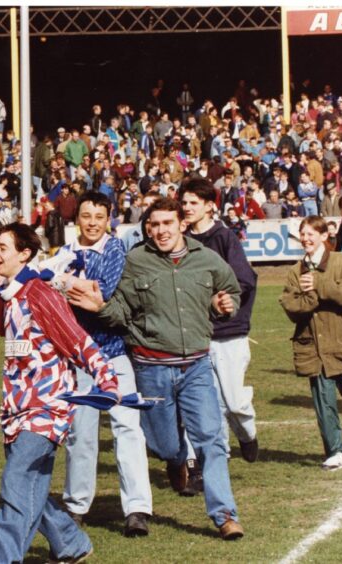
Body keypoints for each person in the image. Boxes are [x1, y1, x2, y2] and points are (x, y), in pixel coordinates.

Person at [68, 196, 244, 540]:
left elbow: (231, 290)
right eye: (155, 225)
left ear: (182, 224)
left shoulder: (207, 259)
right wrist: (100, 306)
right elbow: (121, 312)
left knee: (211, 439)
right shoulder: (136, 262)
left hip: (195, 366)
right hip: (151, 369)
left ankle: (224, 515)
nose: (161, 231)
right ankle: (175, 459)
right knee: (163, 446)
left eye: (168, 223)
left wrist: (227, 305)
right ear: (148, 228)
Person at [0, 222, 119, 563]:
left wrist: (107, 380)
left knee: (16, 482)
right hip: (16, 412)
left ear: (24, 254)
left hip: (46, 410)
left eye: (3, 247)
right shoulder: (10, 297)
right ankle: (72, 544)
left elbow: (77, 340)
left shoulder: (41, 294)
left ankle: (1, 559)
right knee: (31, 490)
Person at [49, 192, 153, 536]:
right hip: (78, 358)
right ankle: (77, 504)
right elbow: (47, 289)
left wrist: (62, 283)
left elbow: (103, 291)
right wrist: (68, 285)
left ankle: (137, 508)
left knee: (128, 429)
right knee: (81, 433)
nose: (92, 222)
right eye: (86, 215)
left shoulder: (114, 250)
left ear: (109, 219)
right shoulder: (65, 253)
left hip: (112, 352)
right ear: (76, 218)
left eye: (99, 216)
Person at [280, 215, 342, 470]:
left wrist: (318, 285)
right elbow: (291, 307)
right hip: (315, 346)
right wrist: (312, 296)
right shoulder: (295, 271)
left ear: (324, 236)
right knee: (323, 401)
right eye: (302, 235)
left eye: (311, 234)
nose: (306, 239)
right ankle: (336, 450)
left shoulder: (341, 262)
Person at [180, 179, 259, 464]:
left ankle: (248, 434)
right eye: (184, 202)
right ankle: (218, 457)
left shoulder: (224, 238)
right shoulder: (181, 241)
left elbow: (245, 280)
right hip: (195, 336)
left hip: (228, 334)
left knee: (235, 402)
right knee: (209, 403)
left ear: (210, 206)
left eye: (193, 203)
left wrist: (222, 301)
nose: (187, 208)